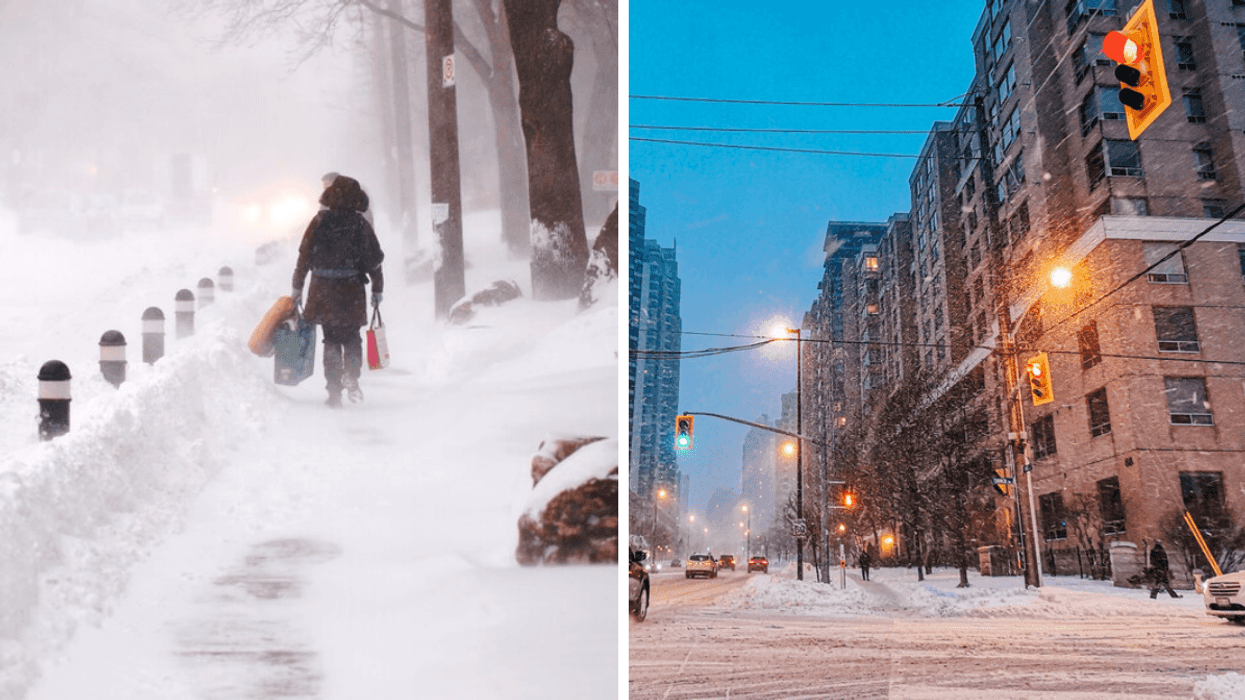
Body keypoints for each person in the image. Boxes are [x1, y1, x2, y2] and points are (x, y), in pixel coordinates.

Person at [292, 174, 384, 408]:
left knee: (331, 339)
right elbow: (374, 260)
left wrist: (297, 287)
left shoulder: (319, 221)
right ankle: (351, 374)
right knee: (352, 337)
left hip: (323, 290)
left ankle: (333, 391)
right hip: (350, 290)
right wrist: (377, 289)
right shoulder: (359, 224)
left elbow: (304, 256)